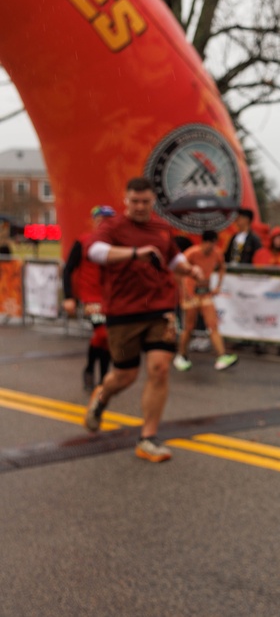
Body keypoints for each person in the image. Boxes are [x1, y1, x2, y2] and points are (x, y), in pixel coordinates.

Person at [84, 176, 205, 463]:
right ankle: (102, 396)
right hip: (123, 311)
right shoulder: (113, 227)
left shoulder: (162, 228)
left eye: (145, 202)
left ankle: (148, 438)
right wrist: (134, 254)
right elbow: (94, 252)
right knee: (125, 376)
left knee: (160, 368)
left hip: (159, 308)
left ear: (153, 201)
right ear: (125, 200)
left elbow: (173, 258)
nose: (139, 207)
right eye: (135, 201)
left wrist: (191, 270)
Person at [62, 205, 116, 391]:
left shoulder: (118, 245)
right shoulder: (84, 241)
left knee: (107, 338)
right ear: (94, 222)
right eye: (101, 220)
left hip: (111, 298)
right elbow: (68, 269)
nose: (104, 224)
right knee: (103, 333)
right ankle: (93, 370)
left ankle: (101, 376)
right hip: (91, 297)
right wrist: (69, 297)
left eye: (108, 221)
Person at [173, 229, 238, 372]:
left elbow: (222, 268)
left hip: (205, 294)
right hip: (191, 294)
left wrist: (218, 286)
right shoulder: (191, 253)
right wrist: (184, 291)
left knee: (213, 325)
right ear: (205, 242)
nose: (212, 247)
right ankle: (181, 355)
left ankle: (221, 356)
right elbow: (178, 271)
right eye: (211, 244)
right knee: (189, 327)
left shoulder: (217, 253)